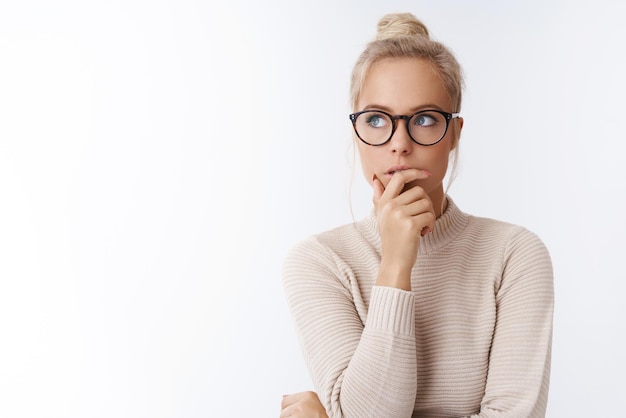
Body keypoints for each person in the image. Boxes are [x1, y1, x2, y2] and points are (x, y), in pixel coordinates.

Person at [280, 12, 553, 418]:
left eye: (424, 119)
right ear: (356, 132)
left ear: (455, 133)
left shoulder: (514, 254)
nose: (400, 144)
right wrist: (395, 264)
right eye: (376, 119)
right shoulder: (320, 261)